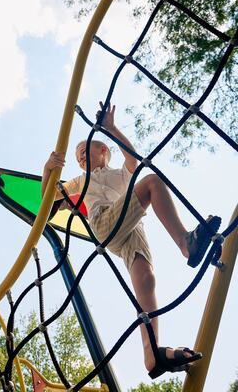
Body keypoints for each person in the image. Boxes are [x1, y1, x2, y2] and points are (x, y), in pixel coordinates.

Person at [42, 102, 221, 379]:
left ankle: (152, 355)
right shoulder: (80, 181)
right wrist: (47, 171)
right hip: (104, 223)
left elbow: (133, 160)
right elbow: (47, 199)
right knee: (151, 183)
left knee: (146, 280)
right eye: (77, 157)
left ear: (103, 151)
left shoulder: (119, 175)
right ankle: (186, 243)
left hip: (131, 226)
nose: (79, 158)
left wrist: (111, 128)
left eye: (83, 151)